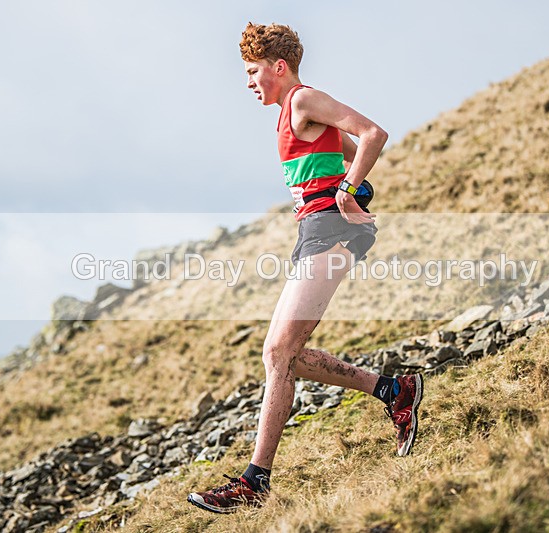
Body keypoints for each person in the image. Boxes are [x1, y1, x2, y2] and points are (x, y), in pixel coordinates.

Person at [187, 22, 424, 514]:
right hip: (317, 230)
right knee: (283, 356)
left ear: (279, 66)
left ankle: (255, 482)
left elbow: (373, 134)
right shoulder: (290, 117)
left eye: (254, 71)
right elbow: (349, 149)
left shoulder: (302, 99)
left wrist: (348, 190)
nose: (249, 82)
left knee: (278, 351)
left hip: (332, 229)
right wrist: (349, 180)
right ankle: (395, 390)